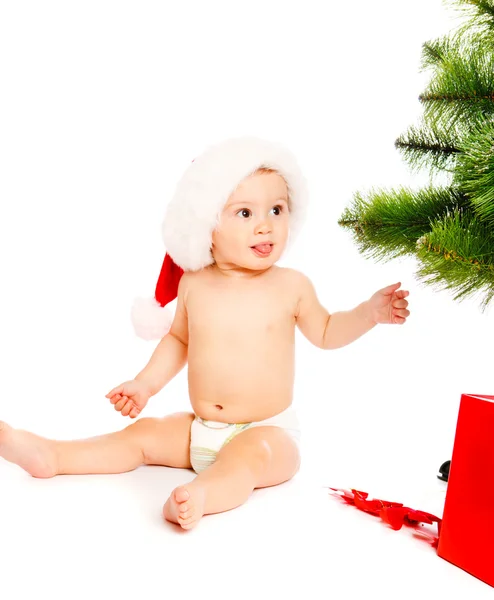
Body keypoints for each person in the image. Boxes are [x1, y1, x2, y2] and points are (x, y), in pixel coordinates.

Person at [0, 137, 410, 530]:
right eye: (245, 214)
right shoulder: (195, 284)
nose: (265, 226)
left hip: (269, 432)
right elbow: (178, 340)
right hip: (200, 429)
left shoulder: (291, 286)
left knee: (249, 459)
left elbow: (326, 331)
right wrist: (145, 384)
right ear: (207, 225)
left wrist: (368, 313)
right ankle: (53, 455)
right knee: (143, 435)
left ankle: (201, 496)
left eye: (277, 210)